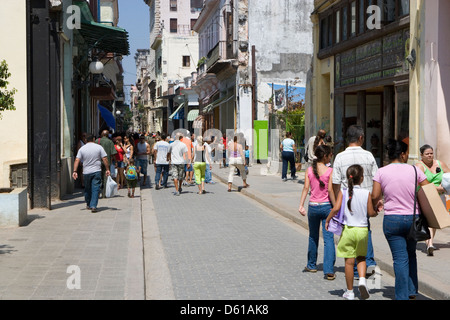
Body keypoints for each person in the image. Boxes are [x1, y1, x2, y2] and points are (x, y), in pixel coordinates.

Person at [372, 139, 430, 300]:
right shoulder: (415, 171)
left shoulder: (381, 172)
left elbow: (375, 195)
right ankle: (412, 291)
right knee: (411, 254)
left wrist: (377, 203)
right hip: (414, 219)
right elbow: (427, 189)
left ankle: (402, 296)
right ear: (403, 154)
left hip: (392, 220)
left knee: (399, 258)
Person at [326, 165, 378, 300]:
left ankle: (349, 292)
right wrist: (377, 210)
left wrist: (328, 219)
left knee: (349, 262)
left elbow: (336, 208)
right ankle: (361, 280)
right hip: (362, 231)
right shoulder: (366, 193)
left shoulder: (343, 192)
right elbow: (371, 213)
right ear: (361, 178)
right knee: (361, 258)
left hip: (348, 230)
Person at [332, 125, 378, 275]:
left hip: (348, 202)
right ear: (360, 138)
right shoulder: (368, 156)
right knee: (365, 229)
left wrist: (338, 202)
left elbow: (336, 183)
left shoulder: (339, 157)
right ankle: (367, 262)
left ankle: (354, 267)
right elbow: (377, 179)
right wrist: (377, 200)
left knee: (349, 231)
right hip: (366, 200)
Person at [298, 145, 336, 280]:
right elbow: (331, 190)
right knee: (328, 239)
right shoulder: (330, 171)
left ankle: (311, 265)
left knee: (313, 236)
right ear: (325, 156)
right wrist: (335, 206)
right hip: (327, 207)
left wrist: (301, 205)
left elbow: (305, 188)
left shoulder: (309, 170)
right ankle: (329, 270)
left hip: (313, 207)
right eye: (330, 155)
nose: (330, 157)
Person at [416, 144, 450, 256]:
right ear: (421, 155)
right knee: (429, 219)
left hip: (439, 195)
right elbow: (421, 182)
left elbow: (448, 176)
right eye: (427, 154)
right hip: (425, 194)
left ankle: (429, 243)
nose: (430, 155)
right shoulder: (419, 166)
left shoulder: (440, 164)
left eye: (431, 153)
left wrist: (443, 184)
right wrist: (438, 187)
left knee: (433, 220)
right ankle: (429, 243)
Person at [72, 133, 110, 213]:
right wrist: (107, 169)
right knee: (95, 189)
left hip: (86, 172)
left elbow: (77, 160)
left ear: (86, 140)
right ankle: (93, 206)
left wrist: (74, 171)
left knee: (87, 189)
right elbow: (105, 158)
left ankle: (89, 204)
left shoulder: (82, 149)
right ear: (93, 139)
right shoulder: (99, 147)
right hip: (97, 171)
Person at [97, 130, 117, 199]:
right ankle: (104, 194)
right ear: (108, 135)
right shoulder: (110, 142)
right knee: (105, 178)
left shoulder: (97, 141)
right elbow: (113, 153)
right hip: (107, 162)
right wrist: (116, 162)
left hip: (98, 162)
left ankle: (97, 193)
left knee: (98, 177)